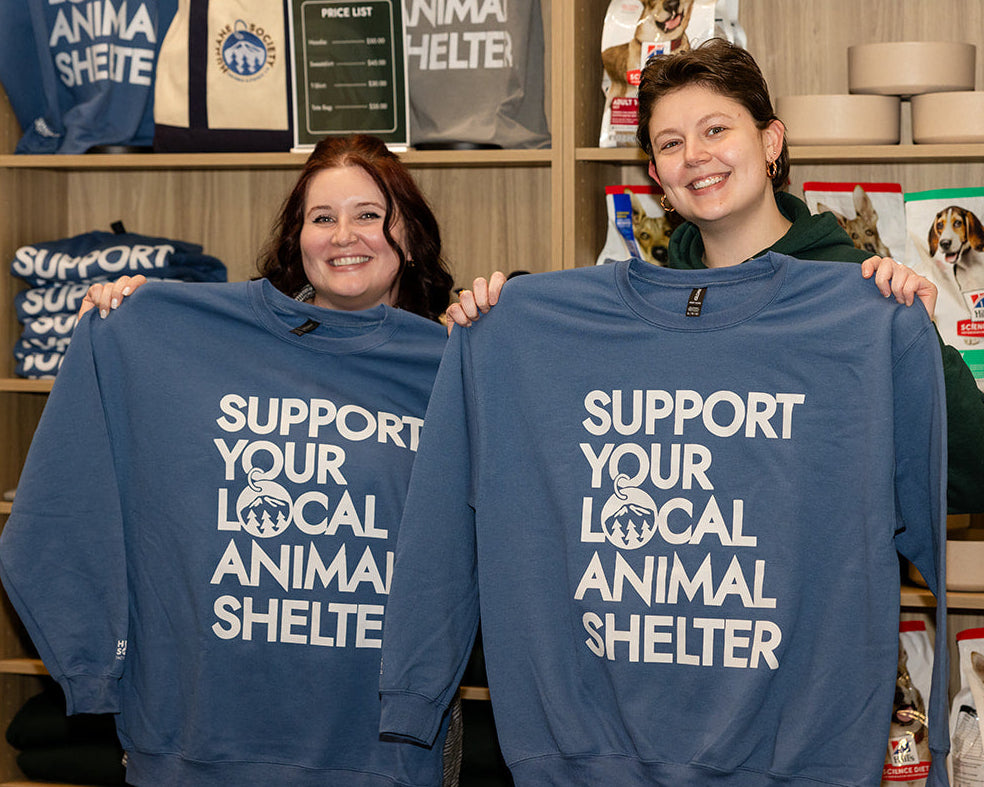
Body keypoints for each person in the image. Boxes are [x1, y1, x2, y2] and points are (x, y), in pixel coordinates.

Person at [0, 133, 497, 786]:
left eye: (369, 214)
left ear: (410, 232)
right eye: (322, 217)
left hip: (379, 746)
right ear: (297, 237)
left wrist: (495, 337)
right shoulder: (195, 343)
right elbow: (64, 504)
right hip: (201, 737)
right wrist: (132, 322)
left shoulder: (453, 368)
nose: (344, 234)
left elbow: (510, 541)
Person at [452, 38, 984, 515]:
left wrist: (916, 343)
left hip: (805, 619)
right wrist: (488, 335)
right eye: (670, 143)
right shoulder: (640, 317)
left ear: (770, 142)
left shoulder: (856, 292)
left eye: (716, 129)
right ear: (658, 176)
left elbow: (969, 473)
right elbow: (557, 460)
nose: (696, 156)